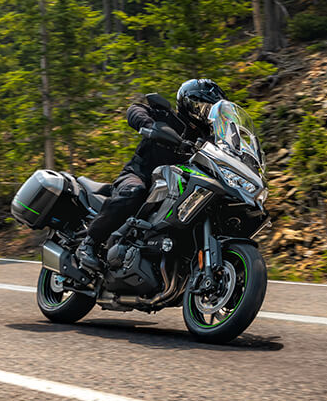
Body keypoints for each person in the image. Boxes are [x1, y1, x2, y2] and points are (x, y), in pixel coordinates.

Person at [75, 78, 228, 272]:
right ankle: (89, 243)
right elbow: (135, 110)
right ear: (187, 103)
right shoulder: (167, 117)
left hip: (177, 186)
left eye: (209, 108)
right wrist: (149, 125)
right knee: (134, 191)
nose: (204, 112)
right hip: (141, 175)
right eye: (201, 106)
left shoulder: (208, 138)